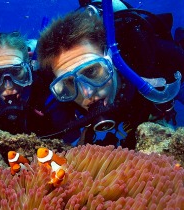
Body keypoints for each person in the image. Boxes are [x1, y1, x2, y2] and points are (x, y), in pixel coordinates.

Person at [37, 6, 184, 148]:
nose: (87, 92)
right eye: (69, 82)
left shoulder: (154, 61)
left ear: (112, 59)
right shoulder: (60, 105)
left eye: (91, 71)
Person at [0, 32, 77, 150]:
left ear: (29, 69)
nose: (8, 86)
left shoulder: (48, 93)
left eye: (16, 72)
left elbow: (71, 135)